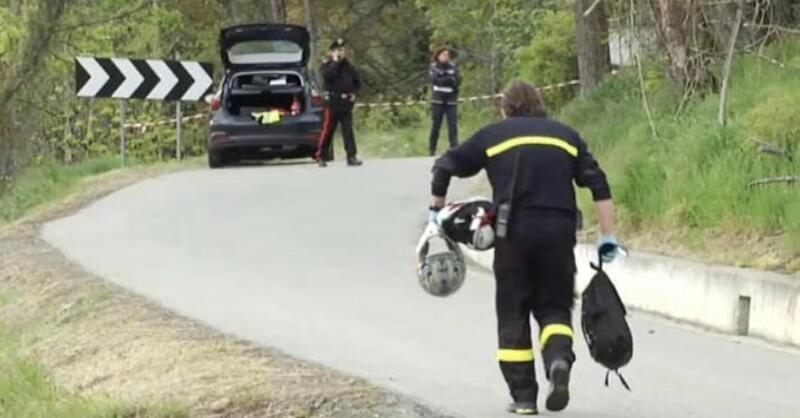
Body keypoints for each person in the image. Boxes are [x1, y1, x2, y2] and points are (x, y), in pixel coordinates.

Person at [427, 80, 621, 415]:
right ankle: (558, 359)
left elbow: (444, 167)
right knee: (555, 308)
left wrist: (436, 214)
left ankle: (523, 398)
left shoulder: (493, 136)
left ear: (506, 109)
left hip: (512, 233)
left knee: (513, 311)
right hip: (559, 232)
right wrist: (608, 237)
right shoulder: (566, 136)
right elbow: (598, 183)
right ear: (540, 106)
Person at [316, 38, 363, 167]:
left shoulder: (348, 67)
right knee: (328, 130)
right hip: (332, 103)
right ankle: (321, 156)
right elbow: (327, 77)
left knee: (348, 130)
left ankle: (351, 156)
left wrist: (353, 92)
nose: (340, 53)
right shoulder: (327, 65)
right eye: (337, 50)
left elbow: (357, 81)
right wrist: (335, 63)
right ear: (332, 52)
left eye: (342, 50)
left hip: (345, 103)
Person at [427, 47, 461, 156]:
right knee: (436, 125)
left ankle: (454, 148)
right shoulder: (433, 67)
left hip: (451, 100)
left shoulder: (453, 67)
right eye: (443, 55)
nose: (446, 57)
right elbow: (434, 80)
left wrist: (445, 79)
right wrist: (447, 79)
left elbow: (457, 80)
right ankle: (432, 149)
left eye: (447, 55)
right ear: (438, 56)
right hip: (438, 100)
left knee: (452, 125)